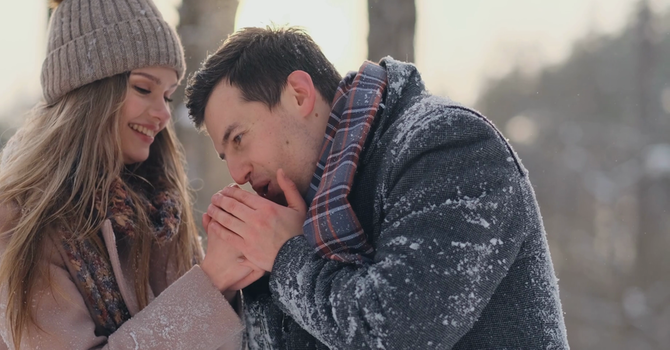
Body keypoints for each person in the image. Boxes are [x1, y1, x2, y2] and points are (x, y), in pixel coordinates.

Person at [184, 26, 570, 349]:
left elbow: (398, 329)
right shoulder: (293, 218)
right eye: (224, 156)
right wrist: (227, 285)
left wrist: (287, 257)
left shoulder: (448, 145)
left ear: (299, 94)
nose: (236, 173)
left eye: (238, 139)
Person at [0, 0, 262, 349]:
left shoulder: (162, 212)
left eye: (168, 95)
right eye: (143, 89)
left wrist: (249, 263)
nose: (161, 114)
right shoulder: (12, 219)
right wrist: (208, 283)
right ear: (88, 92)